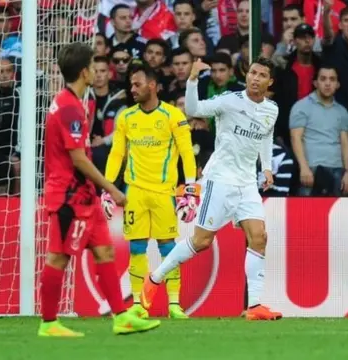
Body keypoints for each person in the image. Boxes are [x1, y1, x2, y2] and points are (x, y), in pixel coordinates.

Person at [140, 57, 283, 321]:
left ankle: (254, 307)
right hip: (220, 180)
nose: (255, 78)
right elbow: (193, 108)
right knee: (202, 241)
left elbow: (266, 136)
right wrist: (193, 79)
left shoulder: (271, 110)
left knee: (260, 237)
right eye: (252, 72)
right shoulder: (230, 101)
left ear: (269, 82)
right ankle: (155, 278)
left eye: (262, 75)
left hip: (248, 183)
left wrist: (266, 168)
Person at [39, 42, 160, 337]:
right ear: (84, 71)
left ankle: (121, 317)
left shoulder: (71, 103)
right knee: (58, 257)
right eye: (93, 67)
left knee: (105, 251)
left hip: (84, 197)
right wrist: (113, 189)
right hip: (69, 197)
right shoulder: (69, 108)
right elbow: (78, 158)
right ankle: (49, 322)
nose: (96, 71)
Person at [102, 63, 197, 319]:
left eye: (137, 84)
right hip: (135, 192)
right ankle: (138, 304)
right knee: (137, 248)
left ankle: (174, 304)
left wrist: (190, 191)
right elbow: (117, 154)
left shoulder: (172, 116)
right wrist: (107, 188)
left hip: (165, 192)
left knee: (168, 247)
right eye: (131, 84)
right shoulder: (126, 118)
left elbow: (187, 154)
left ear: (152, 86)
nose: (132, 89)